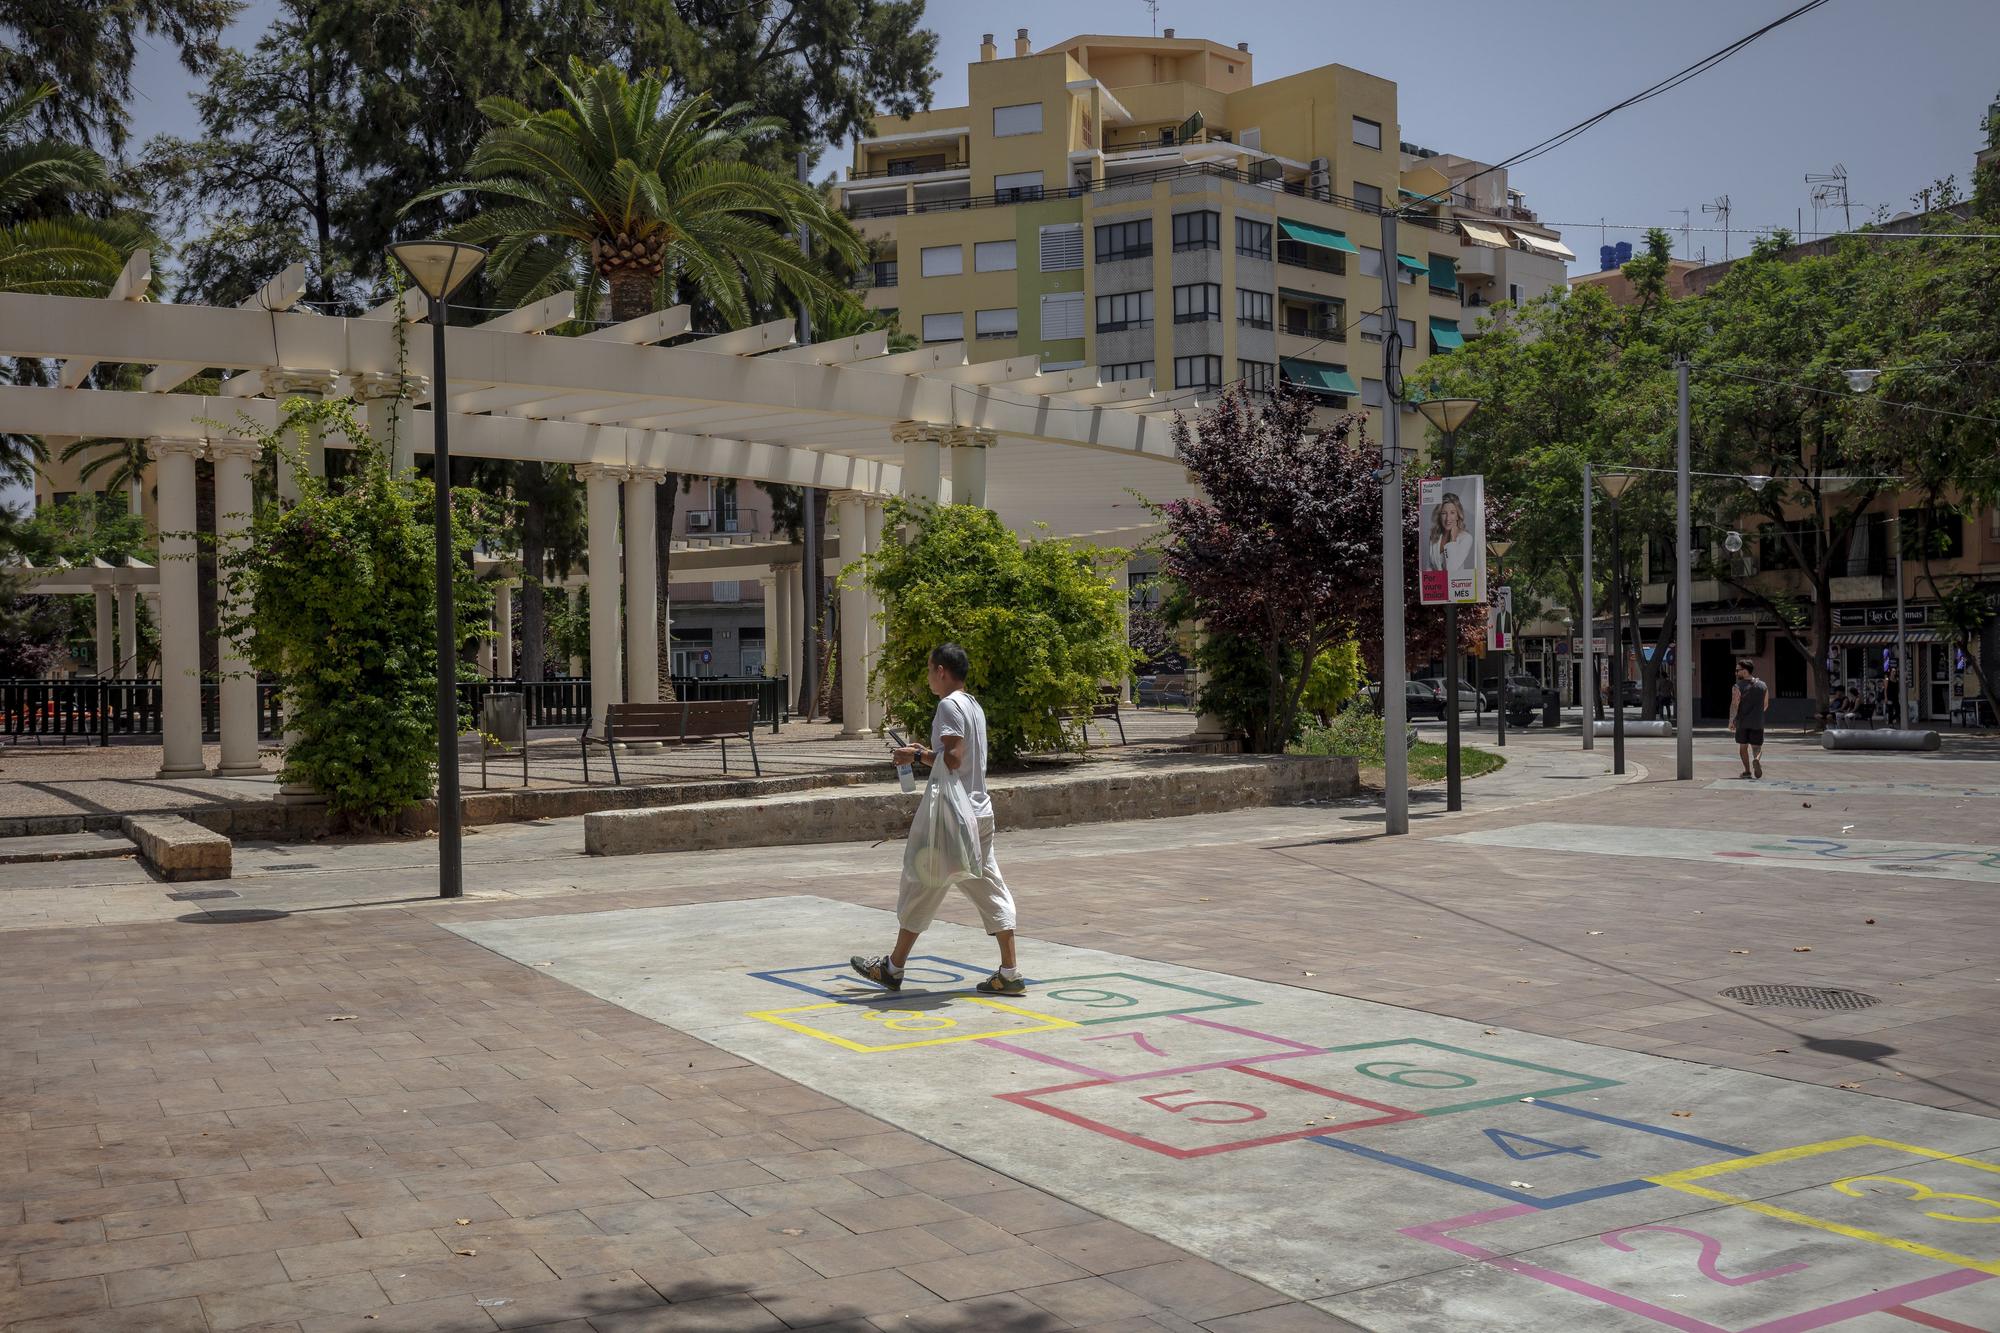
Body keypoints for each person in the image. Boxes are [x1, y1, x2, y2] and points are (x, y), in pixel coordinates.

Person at [852, 643, 1022, 996]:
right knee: (989, 888)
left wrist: (915, 755)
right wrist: (924, 753)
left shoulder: (948, 705)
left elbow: (954, 758)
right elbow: (957, 755)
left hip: (953, 816)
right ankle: (1009, 971)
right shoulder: (973, 705)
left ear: (941, 670)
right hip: (979, 812)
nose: (928, 676)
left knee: (921, 882)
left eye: (930, 669)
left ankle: (893, 968)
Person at [1728, 658, 1767, 779]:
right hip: (1758, 721)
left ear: (1745, 671)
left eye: (1737, 670)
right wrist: (1757, 714)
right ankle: (1756, 759)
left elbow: (1735, 705)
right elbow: (1765, 704)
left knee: (1743, 747)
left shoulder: (1737, 687)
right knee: (1757, 747)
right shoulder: (1763, 685)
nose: (1736, 673)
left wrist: (1731, 721)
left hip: (1742, 722)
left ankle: (1747, 771)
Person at [1425, 493, 1474, 573]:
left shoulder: (1466, 538)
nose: (1448, 518)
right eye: (1444, 513)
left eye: (1452, 513)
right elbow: (1431, 566)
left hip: (1455, 584)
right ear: (1439, 516)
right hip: (1437, 584)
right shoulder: (1434, 536)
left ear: (1458, 515)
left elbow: (1451, 569)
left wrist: (1453, 539)